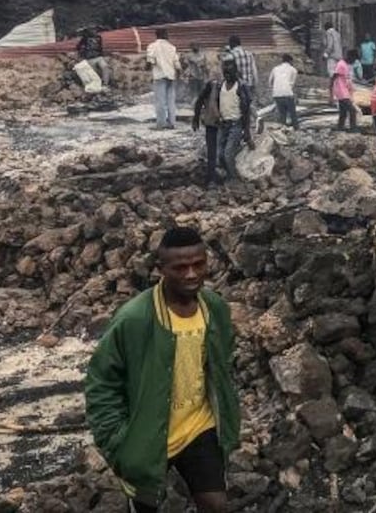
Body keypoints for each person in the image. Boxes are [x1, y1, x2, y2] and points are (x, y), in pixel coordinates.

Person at [84, 227, 239, 513]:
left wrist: (228, 416)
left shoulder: (215, 308)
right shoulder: (134, 319)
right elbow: (101, 381)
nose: (191, 274)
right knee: (146, 506)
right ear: (160, 269)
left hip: (199, 426)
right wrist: (116, 440)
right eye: (180, 267)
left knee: (216, 504)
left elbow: (221, 362)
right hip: (147, 435)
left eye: (199, 264)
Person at [194, 58, 255, 185]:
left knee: (227, 153)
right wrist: (199, 117)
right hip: (221, 124)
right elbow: (205, 100)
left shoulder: (241, 86)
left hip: (234, 124)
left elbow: (247, 110)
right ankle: (225, 175)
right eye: (225, 72)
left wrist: (247, 132)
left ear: (236, 71)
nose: (227, 75)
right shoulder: (219, 85)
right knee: (219, 154)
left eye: (230, 72)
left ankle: (232, 178)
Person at [147, 29, 182, 129]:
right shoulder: (172, 47)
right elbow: (177, 64)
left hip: (160, 75)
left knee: (160, 101)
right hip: (171, 76)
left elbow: (150, 61)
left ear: (157, 35)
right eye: (167, 34)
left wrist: (147, 68)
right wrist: (178, 76)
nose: (168, 36)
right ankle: (172, 123)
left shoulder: (152, 46)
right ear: (164, 35)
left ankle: (161, 124)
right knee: (171, 101)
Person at [224, 35, 259, 105]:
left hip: (236, 87)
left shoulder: (229, 56)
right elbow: (254, 71)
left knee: (236, 107)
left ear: (232, 43)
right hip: (249, 85)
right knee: (248, 106)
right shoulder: (249, 54)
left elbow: (227, 74)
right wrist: (255, 85)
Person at [268, 54, 299, 129]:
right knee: (292, 112)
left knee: (282, 113)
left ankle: (283, 126)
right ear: (290, 61)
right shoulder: (293, 70)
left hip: (276, 94)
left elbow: (270, 81)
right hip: (287, 93)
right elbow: (292, 84)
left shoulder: (275, 68)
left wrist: (274, 88)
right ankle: (295, 127)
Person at [332, 49, 357, 131]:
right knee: (352, 110)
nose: (354, 61)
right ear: (350, 56)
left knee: (343, 112)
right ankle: (353, 128)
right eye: (354, 59)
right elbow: (333, 78)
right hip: (341, 92)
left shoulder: (345, 65)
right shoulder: (341, 64)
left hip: (344, 91)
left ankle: (340, 127)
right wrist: (331, 93)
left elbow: (346, 79)